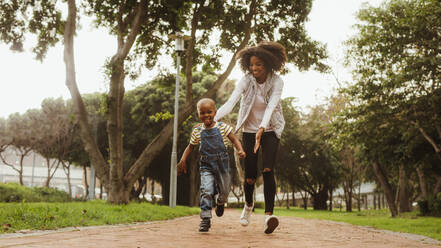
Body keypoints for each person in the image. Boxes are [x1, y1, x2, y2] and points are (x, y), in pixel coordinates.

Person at [214, 41, 287, 234]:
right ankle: (248, 206)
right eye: (252, 64)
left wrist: (262, 128)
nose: (254, 68)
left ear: (268, 65)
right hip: (248, 131)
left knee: (269, 170)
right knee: (250, 176)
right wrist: (212, 119)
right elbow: (231, 102)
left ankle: (269, 216)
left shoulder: (277, 81)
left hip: (271, 129)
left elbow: (271, 106)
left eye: (259, 65)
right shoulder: (246, 80)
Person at [177, 98, 246, 232]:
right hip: (206, 164)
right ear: (198, 114)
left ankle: (220, 202)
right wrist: (183, 159)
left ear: (215, 112)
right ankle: (205, 219)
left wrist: (240, 150)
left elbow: (234, 139)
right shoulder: (197, 131)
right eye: (202, 113)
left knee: (225, 191)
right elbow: (190, 147)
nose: (206, 115)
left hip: (222, 163)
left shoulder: (222, 127)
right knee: (206, 190)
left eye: (209, 112)